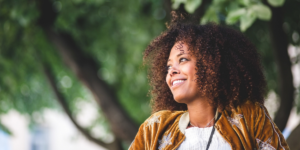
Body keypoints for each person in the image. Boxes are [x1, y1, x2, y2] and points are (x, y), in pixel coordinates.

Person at [129, 13, 290, 150]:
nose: (172, 71)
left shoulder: (248, 117)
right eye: (168, 67)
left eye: (183, 59)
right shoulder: (155, 128)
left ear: (210, 63)